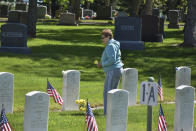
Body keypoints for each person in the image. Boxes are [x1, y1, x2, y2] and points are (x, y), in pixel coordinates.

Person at [97, 29, 124, 115]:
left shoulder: (110, 46)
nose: (102, 40)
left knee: (108, 92)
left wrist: (102, 64)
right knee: (113, 92)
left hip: (113, 70)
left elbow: (112, 59)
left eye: (103, 38)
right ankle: (113, 111)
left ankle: (108, 113)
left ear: (108, 37)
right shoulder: (115, 44)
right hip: (117, 69)